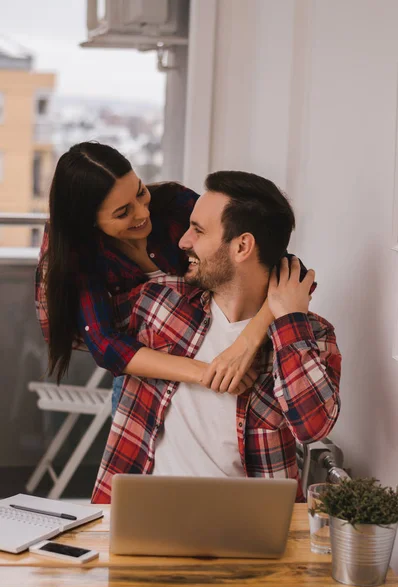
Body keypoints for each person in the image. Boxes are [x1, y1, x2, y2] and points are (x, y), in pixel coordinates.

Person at [92, 171, 342, 504]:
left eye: (197, 230)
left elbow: (314, 427)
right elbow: (83, 332)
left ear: (242, 246)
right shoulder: (158, 303)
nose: (183, 242)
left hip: (250, 527)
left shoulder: (311, 334)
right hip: (146, 515)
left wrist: (289, 320)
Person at [36, 142, 280, 415]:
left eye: (141, 192)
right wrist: (208, 370)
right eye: (123, 212)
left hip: (235, 367)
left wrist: (246, 343)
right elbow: (106, 345)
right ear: (90, 222)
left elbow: (281, 268)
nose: (143, 212)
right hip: (153, 384)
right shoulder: (82, 255)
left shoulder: (175, 204)